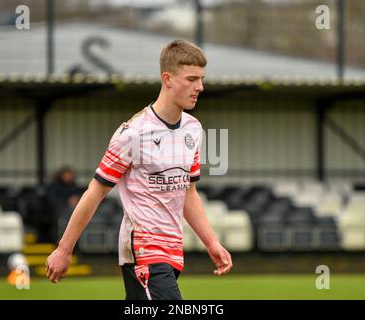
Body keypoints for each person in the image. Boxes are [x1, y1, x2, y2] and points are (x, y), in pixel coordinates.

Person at [45, 39, 233, 300]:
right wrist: (64, 250)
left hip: (172, 253)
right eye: (191, 79)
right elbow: (95, 191)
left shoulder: (193, 129)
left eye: (201, 79)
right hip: (144, 251)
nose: (199, 87)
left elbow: (188, 193)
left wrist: (211, 242)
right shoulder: (132, 133)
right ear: (167, 78)